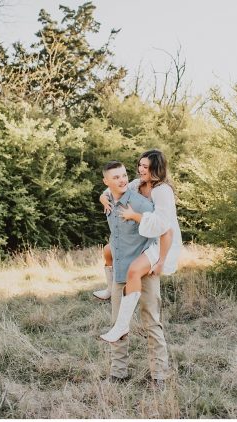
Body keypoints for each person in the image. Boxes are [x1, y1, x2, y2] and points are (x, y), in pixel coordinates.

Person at [95, 161, 171, 385]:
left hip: (143, 271)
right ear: (106, 182)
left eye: (124, 175)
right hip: (121, 271)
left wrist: (161, 261)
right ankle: (118, 374)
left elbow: (165, 230)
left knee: (152, 323)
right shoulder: (108, 199)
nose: (122, 180)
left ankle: (160, 376)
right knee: (118, 325)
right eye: (116, 177)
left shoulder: (140, 203)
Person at [93, 149, 184, 302]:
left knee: (137, 274)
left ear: (156, 169)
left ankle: (131, 316)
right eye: (140, 165)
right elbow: (115, 186)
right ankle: (110, 288)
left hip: (160, 239)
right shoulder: (137, 184)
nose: (140, 169)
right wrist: (103, 196)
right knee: (108, 250)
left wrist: (134, 216)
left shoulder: (162, 191)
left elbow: (162, 226)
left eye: (146, 167)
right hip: (142, 232)